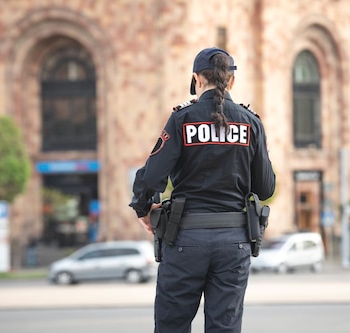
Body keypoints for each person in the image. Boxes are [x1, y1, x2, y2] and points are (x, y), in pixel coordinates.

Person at [129, 47, 275, 333]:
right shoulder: (251, 123)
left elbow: (151, 178)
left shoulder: (182, 119)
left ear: (197, 79)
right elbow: (265, 187)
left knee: (172, 326)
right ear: (231, 81)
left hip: (184, 239)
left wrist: (144, 209)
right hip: (235, 242)